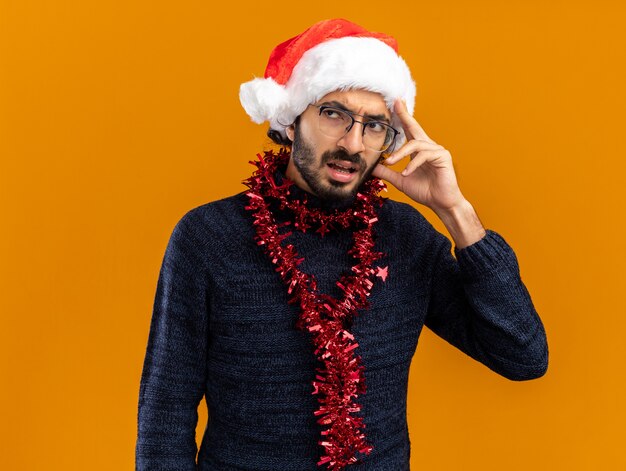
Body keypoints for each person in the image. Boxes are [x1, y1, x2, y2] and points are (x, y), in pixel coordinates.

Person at [135, 18, 549, 471]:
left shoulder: (405, 237)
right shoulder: (208, 237)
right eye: (334, 114)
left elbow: (522, 356)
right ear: (292, 122)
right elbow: (165, 420)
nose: (353, 144)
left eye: (375, 126)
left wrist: (456, 213)